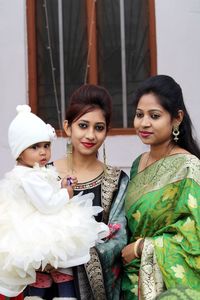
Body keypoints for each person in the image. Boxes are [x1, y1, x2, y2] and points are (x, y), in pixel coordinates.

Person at [25, 84, 129, 300]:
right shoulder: (41, 176)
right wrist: (38, 254)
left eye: (99, 128)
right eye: (83, 125)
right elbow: (20, 222)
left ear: (106, 132)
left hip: (91, 292)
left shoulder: (116, 181)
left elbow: (119, 240)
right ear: (68, 127)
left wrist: (66, 257)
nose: (90, 135)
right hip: (41, 287)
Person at [0, 105, 109, 298]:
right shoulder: (30, 177)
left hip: (34, 221)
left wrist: (60, 184)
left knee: (43, 274)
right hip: (38, 225)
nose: (43, 152)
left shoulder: (32, 171)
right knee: (63, 263)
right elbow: (48, 204)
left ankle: (39, 295)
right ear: (19, 152)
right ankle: (65, 296)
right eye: (35, 147)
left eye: (46, 146)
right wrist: (67, 192)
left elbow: (45, 191)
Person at [121, 74, 200, 299]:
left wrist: (141, 248)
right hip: (128, 285)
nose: (144, 123)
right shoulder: (138, 164)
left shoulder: (189, 167)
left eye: (154, 116)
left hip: (165, 286)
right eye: (139, 115)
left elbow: (194, 236)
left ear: (176, 119)